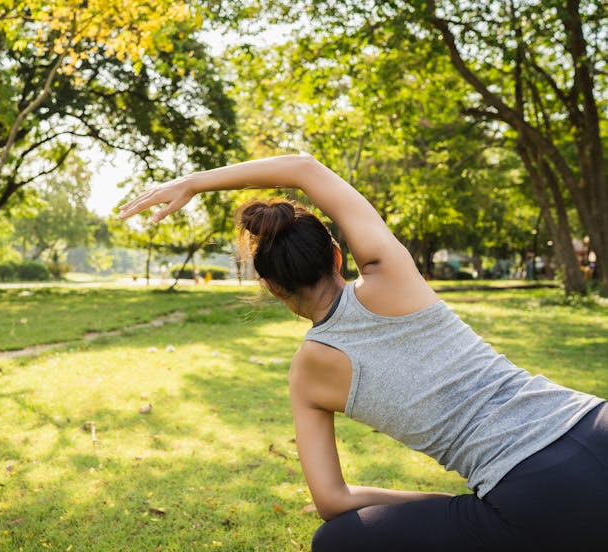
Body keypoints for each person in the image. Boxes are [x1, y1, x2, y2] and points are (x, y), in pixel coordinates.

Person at [117, 155, 608, 551]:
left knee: (338, 541)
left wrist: (453, 503)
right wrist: (195, 182)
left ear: (271, 288)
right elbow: (305, 170)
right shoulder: (391, 275)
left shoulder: (308, 374)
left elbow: (333, 501)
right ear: (336, 255)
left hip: (536, 501)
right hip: (593, 421)